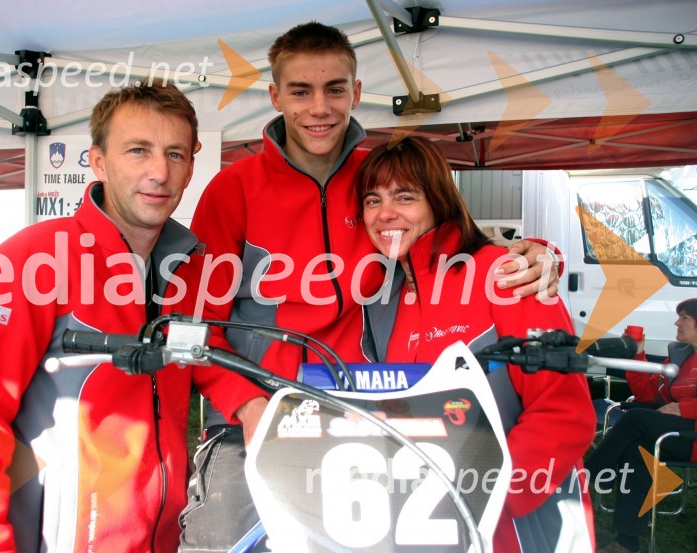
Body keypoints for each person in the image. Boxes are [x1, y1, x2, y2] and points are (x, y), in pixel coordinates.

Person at [179, 21, 566, 552]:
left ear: (357, 93)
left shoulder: (375, 179)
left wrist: (540, 252)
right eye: (301, 91)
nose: (320, 107)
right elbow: (194, 324)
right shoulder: (232, 190)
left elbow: (451, 239)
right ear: (275, 96)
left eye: (335, 88)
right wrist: (246, 408)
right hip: (257, 413)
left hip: (357, 416)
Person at [0, 82, 266, 552]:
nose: (159, 172)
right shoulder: (30, 260)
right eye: (138, 151)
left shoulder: (189, 267)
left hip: (163, 538)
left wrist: (252, 407)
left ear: (192, 166)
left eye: (175, 155)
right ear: (98, 161)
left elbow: (203, 351)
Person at [356, 136, 597, 553]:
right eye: (372, 200)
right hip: (416, 525)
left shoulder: (506, 276)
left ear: (439, 200)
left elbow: (564, 413)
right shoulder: (384, 299)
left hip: (511, 525)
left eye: (405, 196)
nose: (385, 214)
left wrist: (484, 499)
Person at [585, 298, 697, 553]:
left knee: (636, 419)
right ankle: (627, 541)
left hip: (692, 437)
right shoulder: (683, 357)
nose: (677, 322)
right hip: (678, 434)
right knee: (637, 449)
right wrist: (636, 352)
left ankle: (589, 475)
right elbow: (648, 396)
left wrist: (685, 408)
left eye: (684, 318)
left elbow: (672, 408)